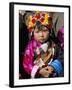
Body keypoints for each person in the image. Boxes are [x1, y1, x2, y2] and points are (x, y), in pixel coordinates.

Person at [23, 12, 63, 78]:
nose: (41, 35)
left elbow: (60, 57)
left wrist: (54, 67)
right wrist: (39, 71)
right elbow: (27, 64)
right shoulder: (30, 47)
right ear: (32, 33)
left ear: (50, 32)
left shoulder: (55, 45)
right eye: (37, 32)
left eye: (45, 31)